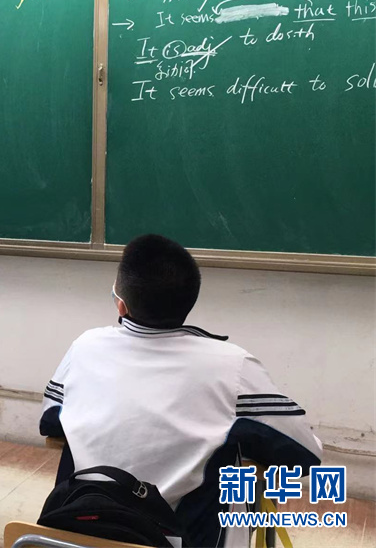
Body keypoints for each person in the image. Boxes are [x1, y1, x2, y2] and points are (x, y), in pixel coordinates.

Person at [40, 234, 322, 547]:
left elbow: (51, 421)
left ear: (121, 303)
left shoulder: (85, 347)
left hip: (78, 536)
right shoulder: (232, 366)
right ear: (189, 301)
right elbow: (305, 455)